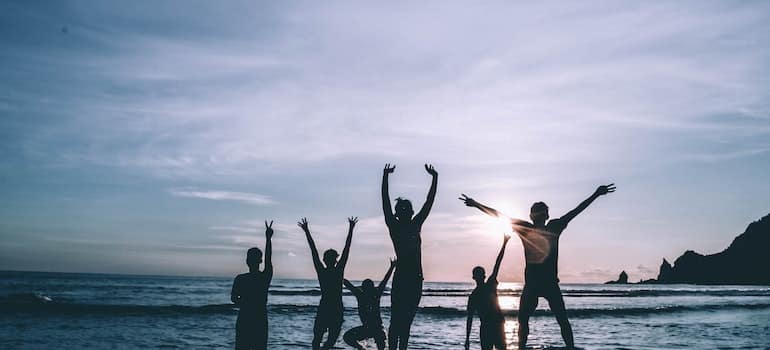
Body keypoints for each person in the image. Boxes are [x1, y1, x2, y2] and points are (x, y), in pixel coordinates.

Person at [460, 184, 616, 349]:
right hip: (534, 285)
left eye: (542, 213)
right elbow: (499, 215)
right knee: (527, 320)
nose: (540, 216)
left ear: (545, 215)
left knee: (559, 320)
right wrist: (476, 204)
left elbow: (575, 211)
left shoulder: (551, 227)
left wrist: (596, 194)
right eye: (538, 213)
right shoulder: (531, 228)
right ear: (534, 216)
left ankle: (569, 347)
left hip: (547, 283)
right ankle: (526, 347)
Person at [381, 163, 438, 350]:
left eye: (407, 209)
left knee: (405, 322)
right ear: (398, 214)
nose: (405, 212)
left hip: (415, 279)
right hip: (403, 278)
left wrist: (435, 178)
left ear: (411, 212)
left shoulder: (415, 224)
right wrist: (385, 176)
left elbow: (429, 202)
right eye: (402, 210)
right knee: (397, 320)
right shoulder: (394, 226)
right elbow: (385, 202)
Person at [299, 216, 357, 350]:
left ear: (326, 260)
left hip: (329, 307)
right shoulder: (333, 271)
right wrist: (351, 229)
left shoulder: (326, 271)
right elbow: (346, 250)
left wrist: (307, 231)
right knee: (326, 339)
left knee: (321, 339)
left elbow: (314, 251)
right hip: (332, 307)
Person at [231, 220, 274, 350]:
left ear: (247, 261)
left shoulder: (241, 279)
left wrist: (244, 303)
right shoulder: (264, 277)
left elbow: (233, 298)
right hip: (259, 319)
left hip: (245, 318)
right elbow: (268, 258)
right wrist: (268, 239)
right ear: (259, 261)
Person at [465, 233, 511, 350]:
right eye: (478, 275)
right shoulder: (478, 293)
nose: (479, 277)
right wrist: (467, 338)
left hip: (494, 326)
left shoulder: (480, 292)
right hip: (490, 327)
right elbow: (469, 318)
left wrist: (504, 244)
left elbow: (497, 263)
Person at [342, 258, 397, 350]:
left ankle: (361, 348)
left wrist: (391, 268)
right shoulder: (368, 295)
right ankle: (362, 348)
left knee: (347, 337)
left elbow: (348, 284)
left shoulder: (365, 295)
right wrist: (391, 267)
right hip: (369, 328)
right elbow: (347, 284)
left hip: (377, 328)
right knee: (347, 337)